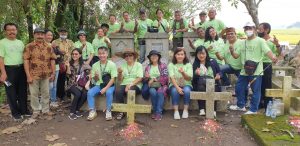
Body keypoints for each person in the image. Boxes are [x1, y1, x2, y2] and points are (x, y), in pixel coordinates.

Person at [228, 22, 277, 114]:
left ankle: (253, 110)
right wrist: (231, 51)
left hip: (256, 70)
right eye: (246, 28)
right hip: (244, 70)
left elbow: (268, 51)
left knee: (256, 90)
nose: (248, 30)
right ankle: (240, 105)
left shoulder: (260, 41)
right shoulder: (243, 43)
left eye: (249, 28)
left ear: (254, 29)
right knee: (239, 88)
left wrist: (273, 57)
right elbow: (235, 55)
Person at [0, 23, 30, 121]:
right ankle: (15, 113)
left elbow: (25, 57)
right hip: (9, 70)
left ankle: (24, 110)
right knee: (11, 92)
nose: (11, 32)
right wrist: (3, 73)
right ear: (5, 32)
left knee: (23, 90)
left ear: (16, 31)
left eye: (13, 29)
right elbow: (1, 59)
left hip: (21, 69)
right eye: (9, 30)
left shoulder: (20, 42)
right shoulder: (2, 42)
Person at [23, 28, 56, 119]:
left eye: (42, 34)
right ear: (34, 35)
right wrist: (28, 76)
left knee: (46, 93)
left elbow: (52, 60)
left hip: (46, 75)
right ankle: (36, 110)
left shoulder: (49, 47)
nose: (40, 36)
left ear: (44, 36)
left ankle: (45, 110)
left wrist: (53, 73)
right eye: (38, 34)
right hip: (33, 74)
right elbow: (26, 61)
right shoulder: (29, 46)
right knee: (34, 94)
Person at [87, 46, 117, 121]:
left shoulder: (112, 64)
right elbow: (95, 80)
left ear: (107, 54)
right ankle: (92, 111)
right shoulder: (94, 65)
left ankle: (108, 110)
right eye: (100, 53)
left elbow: (113, 78)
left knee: (109, 92)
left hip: (109, 85)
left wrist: (105, 88)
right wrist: (96, 77)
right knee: (90, 92)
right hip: (99, 84)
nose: (101, 55)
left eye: (103, 53)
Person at [257, 22, 281, 109]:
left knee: (266, 84)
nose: (258, 31)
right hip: (257, 64)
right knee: (257, 85)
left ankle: (267, 103)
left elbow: (279, 53)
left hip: (266, 65)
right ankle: (259, 102)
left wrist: (277, 44)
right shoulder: (257, 39)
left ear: (266, 30)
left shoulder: (272, 41)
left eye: (260, 29)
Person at [192, 46, 221, 116]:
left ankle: (213, 109)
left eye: (203, 53)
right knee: (201, 87)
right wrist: (196, 74)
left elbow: (219, 72)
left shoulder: (213, 61)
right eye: (199, 54)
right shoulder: (195, 64)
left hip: (213, 82)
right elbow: (194, 79)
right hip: (200, 83)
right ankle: (201, 109)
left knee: (213, 87)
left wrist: (218, 75)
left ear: (206, 54)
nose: (201, 55)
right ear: (196, 55)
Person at [115, 48, 143, 120]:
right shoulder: (123, 65)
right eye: (126, 56)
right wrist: (120, 73)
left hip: (136, 84)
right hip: (124, 84)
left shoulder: (138, 65)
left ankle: (131, 112)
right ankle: (122, 111)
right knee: (118, 90)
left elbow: (140, 78)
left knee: (131, 90)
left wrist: (130, 84)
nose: (128, 57)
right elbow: (120, 79)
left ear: (133, 56)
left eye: (130, 55)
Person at [65, 48, 90, 120]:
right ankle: (72, 112)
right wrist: (67, 66)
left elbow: (91, 71)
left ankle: (77, 110)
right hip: (71, 84)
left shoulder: (84, 64)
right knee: (78, 94)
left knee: (85, 93)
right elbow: (68, 75)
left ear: (80, 55)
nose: (74, 55)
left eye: (76, 54)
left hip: (81, 84)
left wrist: (89, 76)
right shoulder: (69, 63)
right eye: (73, 54)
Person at [168, 47, 193, 120]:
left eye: (182, 54)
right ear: (175, 55)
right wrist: (177, 87)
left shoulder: (188, 65)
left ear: (184, 55)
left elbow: (189, 78)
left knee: (187, 91)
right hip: (174, 84)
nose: (180, 56)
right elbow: (171, 78)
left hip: (186, 84)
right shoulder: (171, 65)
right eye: (178, 54)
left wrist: (183, 72)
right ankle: (176, 111)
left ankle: (185, 110)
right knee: (174, 91)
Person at [144, 50, 168, 120]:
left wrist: (154, 79)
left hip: (162, 85)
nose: (154, 57)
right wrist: (147, 78)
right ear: (150, 58)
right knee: (152, 92)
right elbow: (145, 80)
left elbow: (165, 77)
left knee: (160, 93)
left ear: (158, 57)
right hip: (152, 86)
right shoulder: (148, 67)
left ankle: (158, 113)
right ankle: (155, 111)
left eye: (155, 55)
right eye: (152, 56)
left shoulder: (163, 66)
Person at [52, 28, 74, 101]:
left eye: (65, 32)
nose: (63, 33)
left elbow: (73, 51)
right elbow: (53, 52)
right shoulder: (55, 42)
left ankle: (68, 94)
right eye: (62, 32)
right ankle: (60, 95)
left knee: (69, 79)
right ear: (59, 33)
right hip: (59, 63)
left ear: (67, 33)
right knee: (59, 80)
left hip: (69, 63)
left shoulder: (70, 42)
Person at [45, 29, 60, 108]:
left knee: (54, 85)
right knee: (47, 85)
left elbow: (59, 56)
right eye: (48, 35)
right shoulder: (42, 45)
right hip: (46, 68)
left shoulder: (54, 45)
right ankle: (45, 101)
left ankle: (53, 101)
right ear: (44, 35)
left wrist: (55, 49)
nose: (50, 37)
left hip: (56, 67)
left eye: (51, 35)